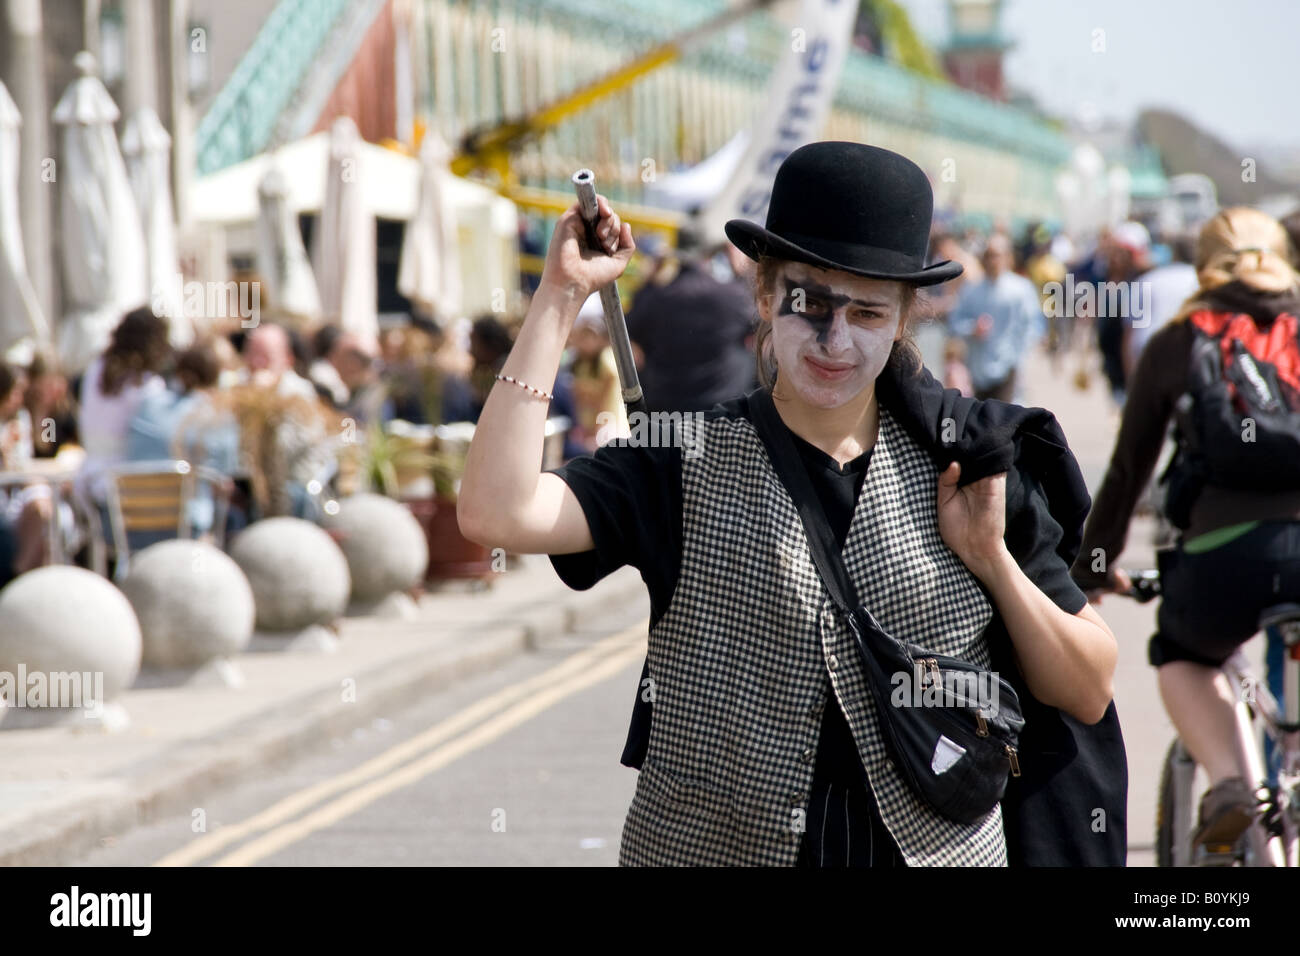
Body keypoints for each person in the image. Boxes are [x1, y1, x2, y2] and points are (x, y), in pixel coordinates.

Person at [458, 141, 1123, 867]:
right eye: (809, 302)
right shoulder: (681, 457)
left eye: (868, 312)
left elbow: (1087, 687)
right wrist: (559, 296)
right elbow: (497, 512)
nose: (835, 340)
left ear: (905, 318)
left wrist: (992, 561)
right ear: (766, 297)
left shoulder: (976, 463)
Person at [1072, 207, 1300, 849]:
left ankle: (1228, 781)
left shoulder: (1183, 338)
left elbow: (1127, 475)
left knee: (1185, 657)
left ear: (1204, 263)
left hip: (1222, 556)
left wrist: (1091, 571)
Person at [624, 225, 757, 413]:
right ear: (709, 254)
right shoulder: (733, 297)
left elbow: (628, 328)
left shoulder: (657, 297)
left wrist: (649, 280)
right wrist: (741, 273)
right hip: (720, 412)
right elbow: (761, 314)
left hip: (666, 412)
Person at [947, 233, 1043, 402]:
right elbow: (955, 323)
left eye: (997, 256)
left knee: (1002, 420)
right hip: (977, 369)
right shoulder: (971, 290)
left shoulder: (1021, 290)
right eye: (989, 256)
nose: (993, 261)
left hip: (1008, 367)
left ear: (1008, 258)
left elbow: (1033, 326)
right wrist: (972, 329)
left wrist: (1020, 355)